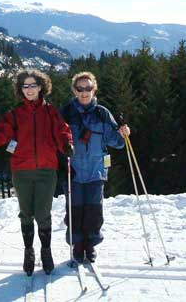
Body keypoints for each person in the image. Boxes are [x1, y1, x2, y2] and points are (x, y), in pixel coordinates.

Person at [0, 69, 73, 276]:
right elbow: (1, 133)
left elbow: (62, 130)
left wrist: (66, 143)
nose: (29, 89)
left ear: (41, 87)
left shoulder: (50, 112)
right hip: (21, 170)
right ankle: (28, 251)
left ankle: (46, 250)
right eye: (25, 86)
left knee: (43, 213)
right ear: (20, 89)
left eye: (33, 85)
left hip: (46, 170)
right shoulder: (14, 114)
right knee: (26, 213)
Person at [61, 71, 130, 263]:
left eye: (88, 88)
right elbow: (56, 138)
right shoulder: (66, 112)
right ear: (74, 90)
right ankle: (77, 244)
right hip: (73, 172)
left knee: (93, 210)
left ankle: (90, 244)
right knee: (74, 209)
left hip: (96, 170)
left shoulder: (102, 113)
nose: (84, 92)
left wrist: (123, 133)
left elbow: (116, 142)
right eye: (80, 88)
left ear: (94, 89)